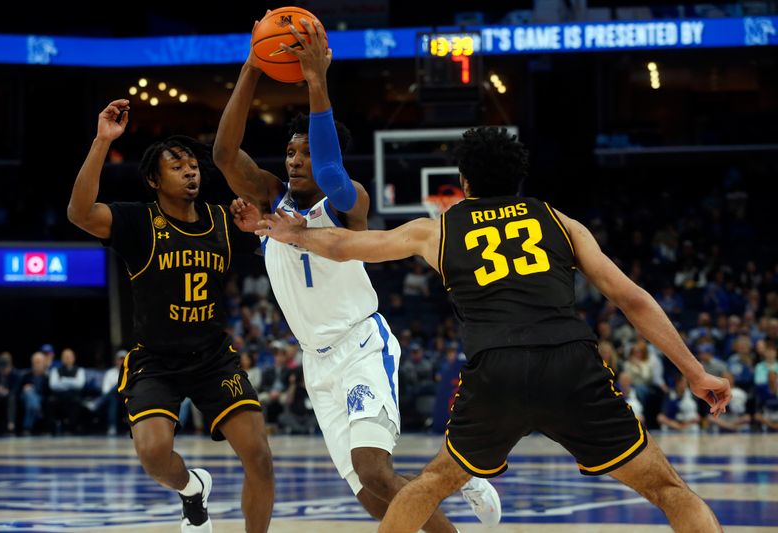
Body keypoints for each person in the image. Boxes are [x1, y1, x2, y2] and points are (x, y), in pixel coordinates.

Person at [256, 126, 733, 533]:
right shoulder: (559, 221)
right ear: (519, 177)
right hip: (571, 364)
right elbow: (632, 299)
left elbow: (348, 245)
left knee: (427, 486)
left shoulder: (438, 228)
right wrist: (695, 372)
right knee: (669, 489)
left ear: (463, 181)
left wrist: (293, 233)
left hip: (496, 371)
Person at [213, 13, 499, 530]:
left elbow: (328, 170)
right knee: (372, 495)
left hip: (361, 345)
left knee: (377, 472)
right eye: (290, 152)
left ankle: (455, 481)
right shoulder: (270, 204)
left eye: (305, 151)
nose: (295, 161)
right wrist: (253, 67)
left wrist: (317, 82)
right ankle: (453, 478)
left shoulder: (348, 202)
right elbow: (224, 154)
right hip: (316, 363)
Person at [67, 99, 273, 532]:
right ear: (153, 180)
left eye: (193, 164)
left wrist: (256, 220)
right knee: (155, 457)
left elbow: (278, 231)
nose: (191, 171)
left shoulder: (223, 220)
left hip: (213, 359)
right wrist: (103, 141)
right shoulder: (140, 223)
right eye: (177, 166)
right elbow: (80, 214)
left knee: (258, 455)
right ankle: (192, 488)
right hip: (156, 361)